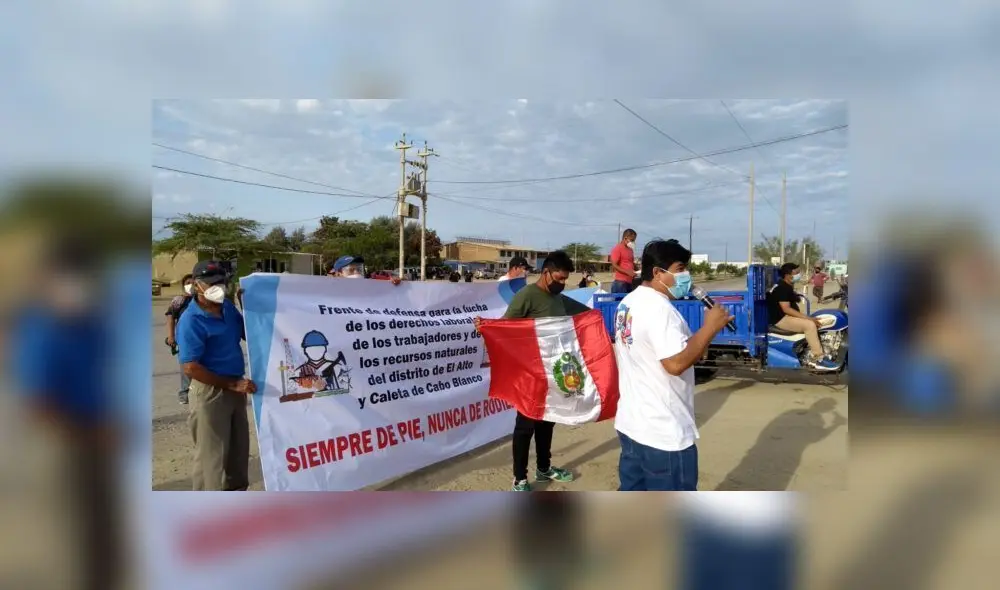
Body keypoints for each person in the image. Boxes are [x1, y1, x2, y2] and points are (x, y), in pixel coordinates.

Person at [612, 239, 734, 491]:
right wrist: (710, 327)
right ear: (658, 273)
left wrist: (702, 337)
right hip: (663, 433)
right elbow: (675, 364)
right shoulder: (660, 310)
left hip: (632, 424)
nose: (686, 276)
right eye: (680, 269)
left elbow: (671, 351)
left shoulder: (629, 302)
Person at [482, 251, 590, 491]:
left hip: (552, 374)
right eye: (559, 278)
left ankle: (544, 468)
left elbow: (586, 314)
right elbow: (506, 327)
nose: (562, 284)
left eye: (565, 279)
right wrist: (488, 328)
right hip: (529, 375)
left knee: (547, 422)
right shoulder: (527, 295)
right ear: (546, 273)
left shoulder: (559, 298)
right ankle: (519, 478)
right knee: (525, 427)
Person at [177, 260, 256, 491]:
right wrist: (231, 385)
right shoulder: (191, 320)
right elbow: (190, 367)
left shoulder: (228, 308)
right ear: (196, 285)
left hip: (235, 387)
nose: (218, 287)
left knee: (238, 453)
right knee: (211, 459)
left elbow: (250, 334)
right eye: (210, 283)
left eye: (221, 282)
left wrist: (249, 308)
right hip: (210, 391)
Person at [767, 263, 837, 371]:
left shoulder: (785, 285)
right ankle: (819, 359)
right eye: (796, 273)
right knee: (810, 325)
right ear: (788, 275)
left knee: (819, 319)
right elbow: (786, 309)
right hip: (781, 319)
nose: (798, 275)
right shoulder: (782, 287)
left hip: (786, 316)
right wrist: (808, 319)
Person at [165, 273, 195, 404]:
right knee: (186, 366)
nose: (190, 285)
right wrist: (171, 336)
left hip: (200, 338)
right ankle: (185, 393)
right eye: (188, 283)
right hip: (183, 340)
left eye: (193, 283)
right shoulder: (179, 301)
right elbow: (170, 317)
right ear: (183, 286)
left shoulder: (202, 299)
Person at [329, 255, 402, 285]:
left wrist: (394, 281)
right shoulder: (331, 290)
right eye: (351, 270)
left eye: (359, 269)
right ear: (339, 273)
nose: (356, 272)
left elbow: (392, 279)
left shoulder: (372, 282)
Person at [610, 228, 639, 293]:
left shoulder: (630, 250)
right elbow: (614, 265)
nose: (633, 242)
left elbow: (631, 262)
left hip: (630, 282)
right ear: (625, 238)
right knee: (620, 299)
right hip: (620, 283)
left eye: (634, 240)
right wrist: (627, 272)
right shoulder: (618, 248)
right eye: (632, 240)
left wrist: (639, 270)